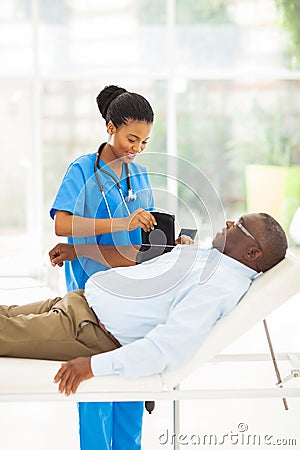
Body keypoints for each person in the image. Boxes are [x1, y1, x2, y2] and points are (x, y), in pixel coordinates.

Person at [0, 213, 287, 398]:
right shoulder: (212, 257)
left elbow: (167, 349)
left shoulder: (218, 287)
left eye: (238, 226)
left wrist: (93, 366)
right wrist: (182, 251)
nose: (227, 223)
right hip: (77, 303)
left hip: (84, 331)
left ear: (252, 252)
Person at [50, 85, 156, 450]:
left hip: (133, 295)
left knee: (129, 386)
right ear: (110, 127)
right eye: (131, 138)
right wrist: (119, 225)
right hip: (91, 295)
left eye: (143, 142)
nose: (136, 148)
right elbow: (62, 223)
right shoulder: (82, 169)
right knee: (95, 390)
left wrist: (173, 243)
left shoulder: (139, 174)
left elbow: (146, 233)